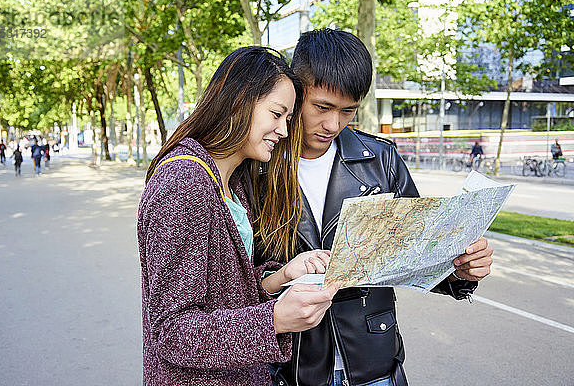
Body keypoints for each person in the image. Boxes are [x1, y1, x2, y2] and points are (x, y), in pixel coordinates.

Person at [261, 29, 495, 386]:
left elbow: (418, 254)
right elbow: (238, 275)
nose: (333, 124)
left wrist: (460, 270)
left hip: (374, 363)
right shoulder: (260, 163)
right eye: (322, 107)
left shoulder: (380, 160)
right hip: (289, 365)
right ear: (296, 91)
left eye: (348, 111)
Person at [137, 46, 340, 386]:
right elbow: (171, 331)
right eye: (276, 114)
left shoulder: (230, 181)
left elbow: (224, 293)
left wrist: (281, 276)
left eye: (288, 119)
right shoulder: (182, 185)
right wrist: (273, 320)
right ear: (239, 100)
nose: (285, 131)